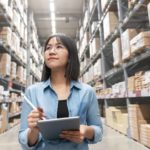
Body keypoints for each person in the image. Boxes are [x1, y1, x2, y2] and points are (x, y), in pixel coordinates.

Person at [18, 33, 103, 150]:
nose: (51, 51)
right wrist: (33, 131)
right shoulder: (32, 92)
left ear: (70, 56)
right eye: (48, 48)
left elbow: (98, 131)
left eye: (59, 46)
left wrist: (86, 131)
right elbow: (23, 139)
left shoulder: (87, 92)